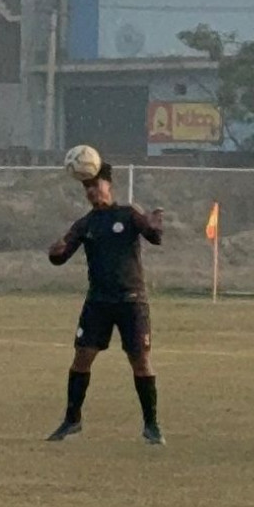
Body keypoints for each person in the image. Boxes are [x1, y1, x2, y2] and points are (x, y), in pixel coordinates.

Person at [45, 162, 167, 445]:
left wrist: (154, 227)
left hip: (131, 301)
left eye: (95, 184)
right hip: (98, 302)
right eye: (86, 186)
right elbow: (61, 255)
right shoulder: (85, 224)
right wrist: (55, 252)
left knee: (140, 361)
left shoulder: (128, 214)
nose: (91, 191)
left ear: (108, 184)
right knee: (82, 357)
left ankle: (151, 426)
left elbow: (154, 237)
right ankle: (72, 421)